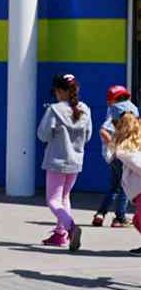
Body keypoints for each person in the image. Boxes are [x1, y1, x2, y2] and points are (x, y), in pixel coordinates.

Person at [38, 72, 93, 251]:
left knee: (53, 200)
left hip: (57, 160)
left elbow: (43, 135)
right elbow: (88, 136)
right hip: (76, 161)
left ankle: (70, 227)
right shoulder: (85, 109)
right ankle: (61, 234)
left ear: (59, 91)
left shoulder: (54, 110)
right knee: (64, 197)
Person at [91, 85, 133, 229]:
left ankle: (100, 214)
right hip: (126, 154)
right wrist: (118, 147)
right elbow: (104, 131)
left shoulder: (115, 109)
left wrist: (113, 147)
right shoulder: (130, 108)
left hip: (116, 155)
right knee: (125, 186)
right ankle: (120, 218)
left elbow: (103, 131)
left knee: (114, 186)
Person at [110, 105, 141, 249]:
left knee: (139, 219)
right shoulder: (134, 146)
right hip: (137, 193)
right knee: (137, 220)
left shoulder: (127, 151)